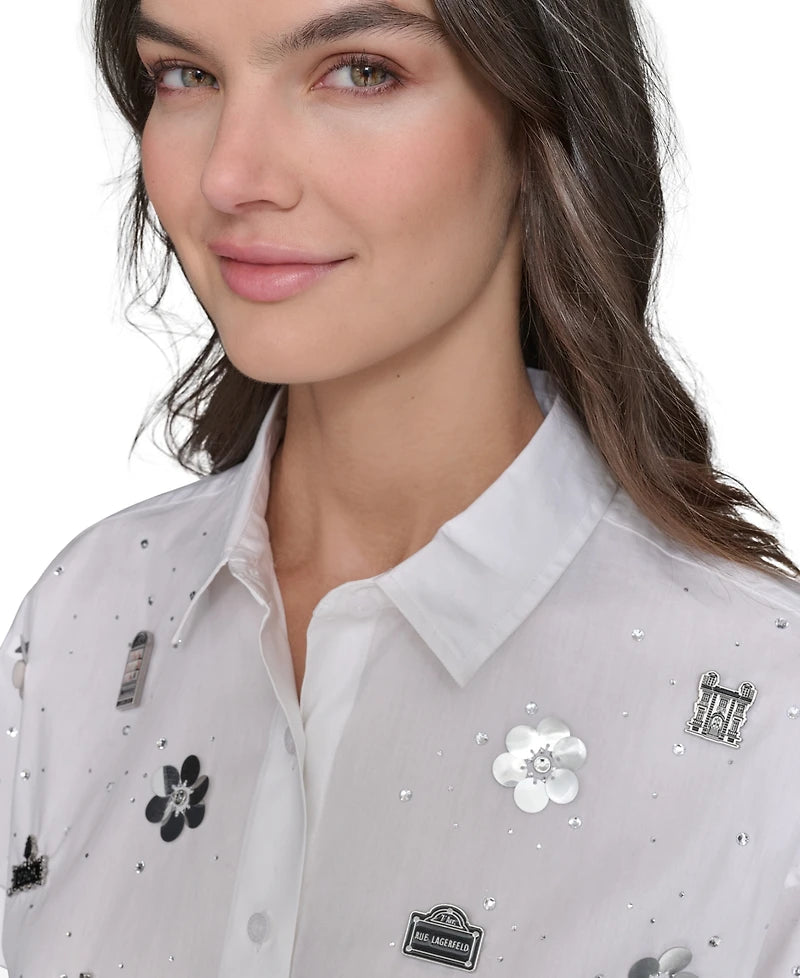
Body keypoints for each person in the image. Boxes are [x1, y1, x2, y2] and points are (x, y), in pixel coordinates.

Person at [1, 0, 799, 975]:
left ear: (541, 113)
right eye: (187, 76)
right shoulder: (79, 628)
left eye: (360, 72)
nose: (230, 177)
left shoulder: (769, 721)